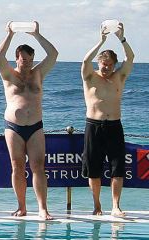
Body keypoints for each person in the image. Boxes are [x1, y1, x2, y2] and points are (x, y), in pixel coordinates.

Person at [0, 21, 58, 220]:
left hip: (35, 127)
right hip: (13, 127)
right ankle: (21, 206)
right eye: (23, 60)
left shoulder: (38, 73)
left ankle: (42, 208)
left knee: (38, 166)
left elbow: (54, 54)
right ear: (17, 59)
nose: (27, 64)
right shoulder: (9, 75)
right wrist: (10, 34)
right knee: (17, 166)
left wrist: (37, 35)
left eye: (30, 60)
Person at [81, 22, 134, 217]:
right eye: (104, 65)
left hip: (114, 125)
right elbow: (85, 61)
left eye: (111, 65)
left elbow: (130, 58)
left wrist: (121, 38)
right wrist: (101, 41)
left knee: (117, 167)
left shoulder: (119, 77)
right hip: (94, 125)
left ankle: (115, 206)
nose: (107, 69)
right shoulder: (90, 76)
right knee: (93, 169)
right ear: (99, 63)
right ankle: (97, 205)